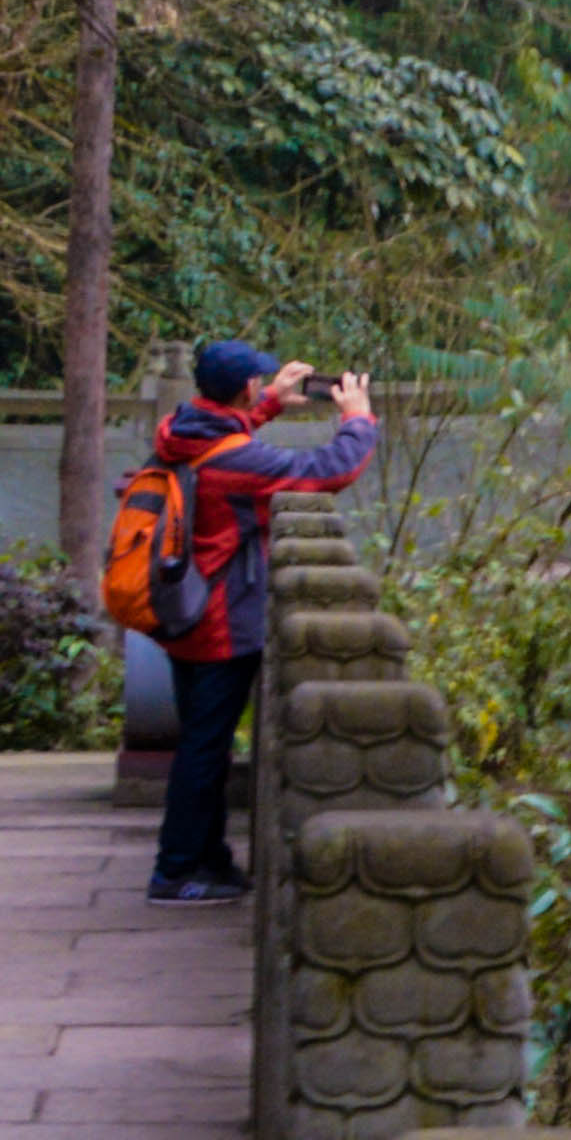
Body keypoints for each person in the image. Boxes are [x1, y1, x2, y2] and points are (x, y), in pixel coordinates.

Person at [138, 341, 381, 907]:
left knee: (205, 743)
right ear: (245, 387)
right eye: (259, 383)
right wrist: (357, 419)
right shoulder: (236, 460)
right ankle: (174, 871)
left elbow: (226, 433)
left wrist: (269, 402)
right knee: (204, 749)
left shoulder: (181, 428)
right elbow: (327, 471)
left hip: (184, 608)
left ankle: (209, 859)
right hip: (219, 621)